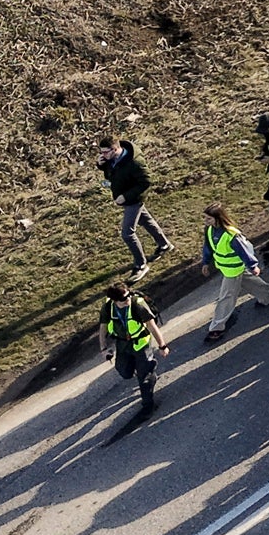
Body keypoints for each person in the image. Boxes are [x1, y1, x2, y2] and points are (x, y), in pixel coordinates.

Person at [200, 204, 269, 344]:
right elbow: (208, 247)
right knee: (247, 280)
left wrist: (253, 265)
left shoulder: (231, 234)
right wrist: (206, 262)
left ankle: (217, 327)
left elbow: (244, 251)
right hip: (226, 268)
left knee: (226, 298)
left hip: (233, 269)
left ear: (218, 218)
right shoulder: (210, 230)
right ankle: (268, 294)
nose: (205, 221)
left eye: (208, 218)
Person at [100, 284, 162, 427]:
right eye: (124, 299)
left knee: (144, 376)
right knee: (124, 372)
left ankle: (148, 405)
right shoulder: (108, 308)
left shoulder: (137, 305)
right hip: (123, 344)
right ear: (115, 301)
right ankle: (147, 370)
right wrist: (103, 348)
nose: (128, 299)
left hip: (141, 343)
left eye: (129, 295)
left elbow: (152, 326)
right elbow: (103, 328)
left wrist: (162, 345)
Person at [98, 133, 160, 273]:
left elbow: (146, 182)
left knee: (127, 234)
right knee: (145, 220)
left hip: (134, 200)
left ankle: (141, 264)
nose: (103, 155)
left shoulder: (135, 162)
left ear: (115, 149)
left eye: (105, 152)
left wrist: (125, 196)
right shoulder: (111, 159)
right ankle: (164, 245)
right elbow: (112, 174)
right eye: (101, 152)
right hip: (125, 198)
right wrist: (101, 165)